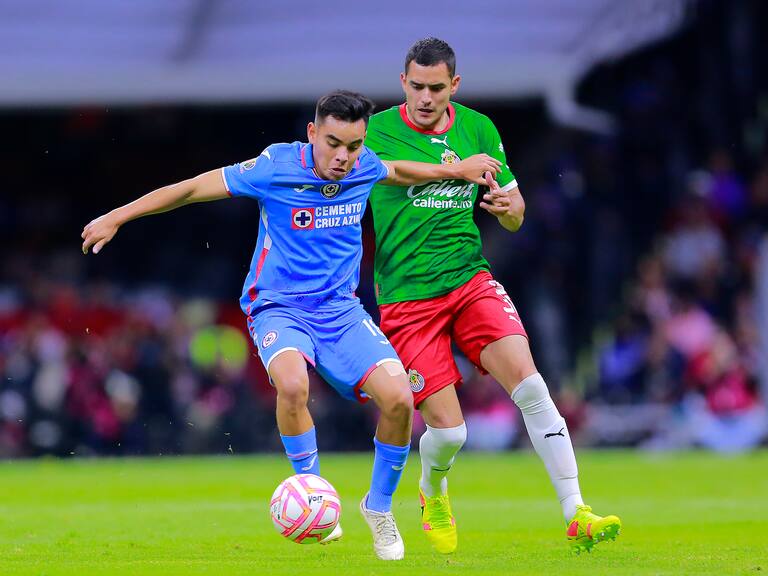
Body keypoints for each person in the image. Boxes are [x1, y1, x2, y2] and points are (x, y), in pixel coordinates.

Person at [81, 90, 501, 560]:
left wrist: (454, 170)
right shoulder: (274, 167)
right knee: (293, 385)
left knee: (401, 399)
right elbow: (193, 188)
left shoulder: (363, 165)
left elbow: (399, 170)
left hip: (341, 311)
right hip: (279, 307)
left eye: (355, 145)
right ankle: (316, 492)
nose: (344, 157)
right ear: (312, 134)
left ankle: (378, 508)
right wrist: (117, 216)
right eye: (334, 143)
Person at [364, 39, 621, 554]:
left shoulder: (479, 129)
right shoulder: (377, 130)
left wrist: (507, 207)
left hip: (469, 282)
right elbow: (388, 172)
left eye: (437, 88)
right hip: (408, 301)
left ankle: (576, 512)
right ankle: (432, 489)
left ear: (453, 86)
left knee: (532, 387)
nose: (426, 97)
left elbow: (515, 209)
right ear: (403, 83)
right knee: (452, 435)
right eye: (417, 86)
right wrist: (455, 171)